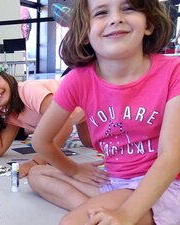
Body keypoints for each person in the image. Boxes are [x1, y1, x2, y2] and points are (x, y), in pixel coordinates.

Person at [28, 0, 180, 224]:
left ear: (148, 24)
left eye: (128, 8)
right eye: (101, 12)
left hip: (163, 185)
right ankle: (112, 211)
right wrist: (74, 170)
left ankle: (126, 213)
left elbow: (171, 156)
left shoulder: (173, 71)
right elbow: (41, 141)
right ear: (85, 32)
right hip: (113, 181)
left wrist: (127, 213)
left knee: (71, 222)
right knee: (38, 174)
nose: (116, 18)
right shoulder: (78, 79)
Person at [0, 62, 91, 178]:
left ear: (7, 78)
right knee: (89, 143)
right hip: (82, 110)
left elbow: (65, 125)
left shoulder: (28, 90)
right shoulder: (10, 113)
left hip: (87, 88)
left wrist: (37, 162)